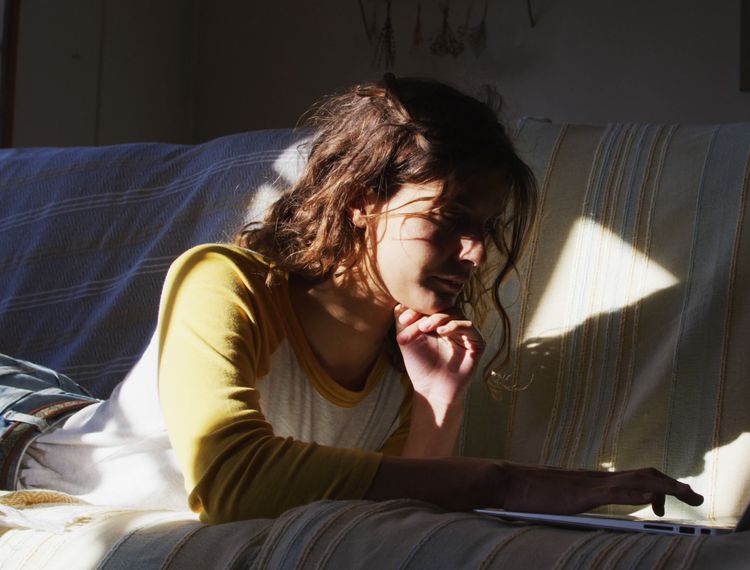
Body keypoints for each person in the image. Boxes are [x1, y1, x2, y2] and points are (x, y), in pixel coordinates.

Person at [1, 75, 703, 524]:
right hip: (23, 427)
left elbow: (399, 511)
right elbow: (231, 479)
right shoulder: (223, 279)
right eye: (448, 220)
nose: (476, 252)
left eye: (484, 229)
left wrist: (439, 401)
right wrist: (510, 484)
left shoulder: (410, 351)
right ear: (364, 202)